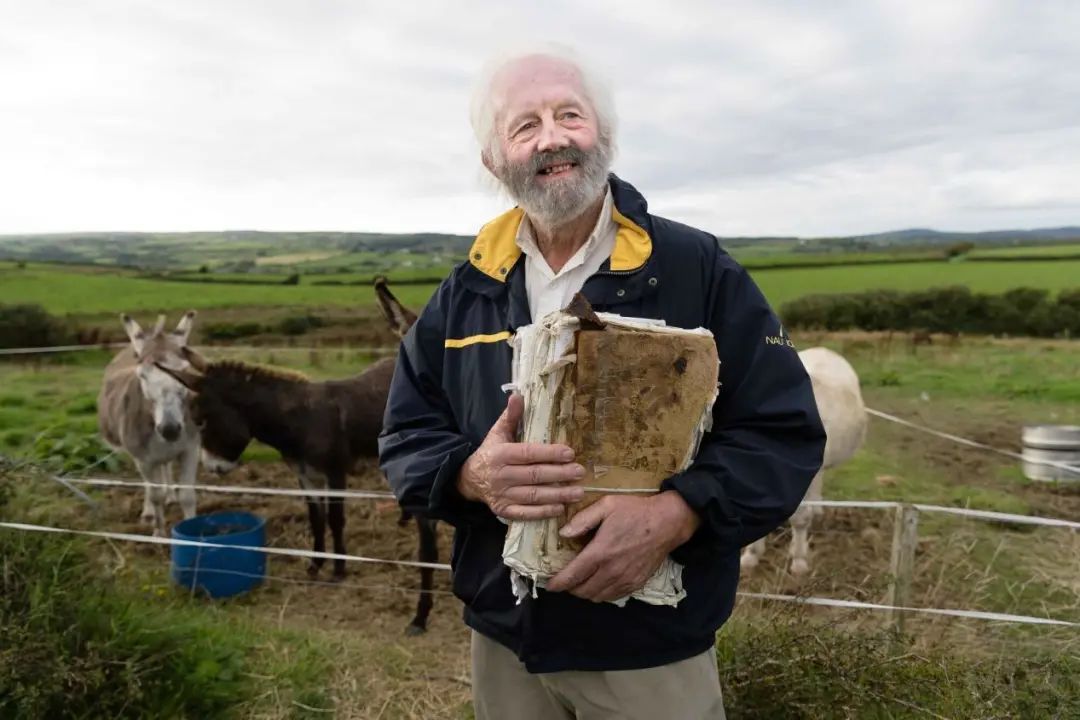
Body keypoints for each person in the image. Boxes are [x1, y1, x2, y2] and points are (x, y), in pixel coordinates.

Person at [378, 44, 827, 720]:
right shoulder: (466, 292)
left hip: (648, 651)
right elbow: (406, 434)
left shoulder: (694, 269)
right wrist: (471, 475)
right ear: (494, 160)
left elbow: (783, 432)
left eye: (569, 115)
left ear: (605, 137)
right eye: (524, 125)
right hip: (505, 645)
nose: (552, 137)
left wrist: (677, 515)